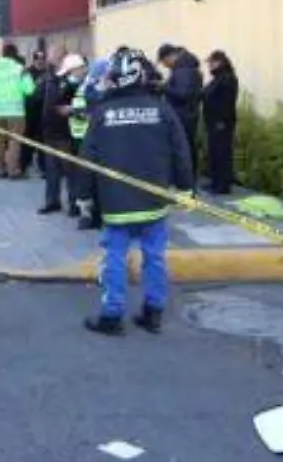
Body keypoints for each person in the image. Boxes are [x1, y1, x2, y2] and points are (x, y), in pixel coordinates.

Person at [82, 47, 193, 336]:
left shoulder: (102, 113)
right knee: (155, 256)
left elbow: (86, 158)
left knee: (114, 257)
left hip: (115, 202)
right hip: (154, 200)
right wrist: (185, 187)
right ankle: (153, 312)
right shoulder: (161, 108)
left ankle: (112, 316)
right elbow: (181, 150)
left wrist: (83, 197)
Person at [40, 54, 85, 215]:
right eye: (80, 69)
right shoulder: (57, 83)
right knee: (53, 170)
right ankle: (53, 202)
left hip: (66, 133)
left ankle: (74, 204)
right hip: (54, 132)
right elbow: (50, 106)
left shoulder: (81, 85)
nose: (83, 71)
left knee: (70, 171)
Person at [70, 57, 110, 231]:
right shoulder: (95, 89)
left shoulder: (88, 87)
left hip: (87, 139)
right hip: (94, 139)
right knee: (94, 178)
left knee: (89, 178)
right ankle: (91, 215)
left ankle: (90, 215)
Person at [158, 43, 204, 189]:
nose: (165, 66)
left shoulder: (184, 70)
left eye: (164, 62)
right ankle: (189, 179)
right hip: (187, 115)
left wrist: (164, 87)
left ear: (171, 56)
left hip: (184, 117)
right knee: (188, 147)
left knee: (184, 148)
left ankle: (186, 181)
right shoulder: (184, 68)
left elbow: (183, 94)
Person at [0, 42, 34, 179]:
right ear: (15, 54)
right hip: (16, 112)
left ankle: (0, 169)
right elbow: (30, 90)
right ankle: (13, 170)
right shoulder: (20, 69)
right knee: (14, 141)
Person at [201, 50, 239, 195]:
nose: (209, 66)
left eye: (211, 63)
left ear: (219, 62)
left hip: (221, 122)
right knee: (214, 152)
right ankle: (215, 181)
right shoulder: (218, 78)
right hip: (213, 121)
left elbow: (226, 103)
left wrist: (222, 121)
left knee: (222, 153)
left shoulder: (227, 78)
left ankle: (222, 185)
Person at [21, 49, 50, 177]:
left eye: (42, 59)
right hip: (29, 109)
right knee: (27, 138)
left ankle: (43, 167)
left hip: (43, 110)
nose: (40, 61)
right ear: (34, 60)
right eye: (38, 59)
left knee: (42, 140)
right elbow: (24, 90)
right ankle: (24, 164)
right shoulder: (27, 72)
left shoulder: (48, 73)